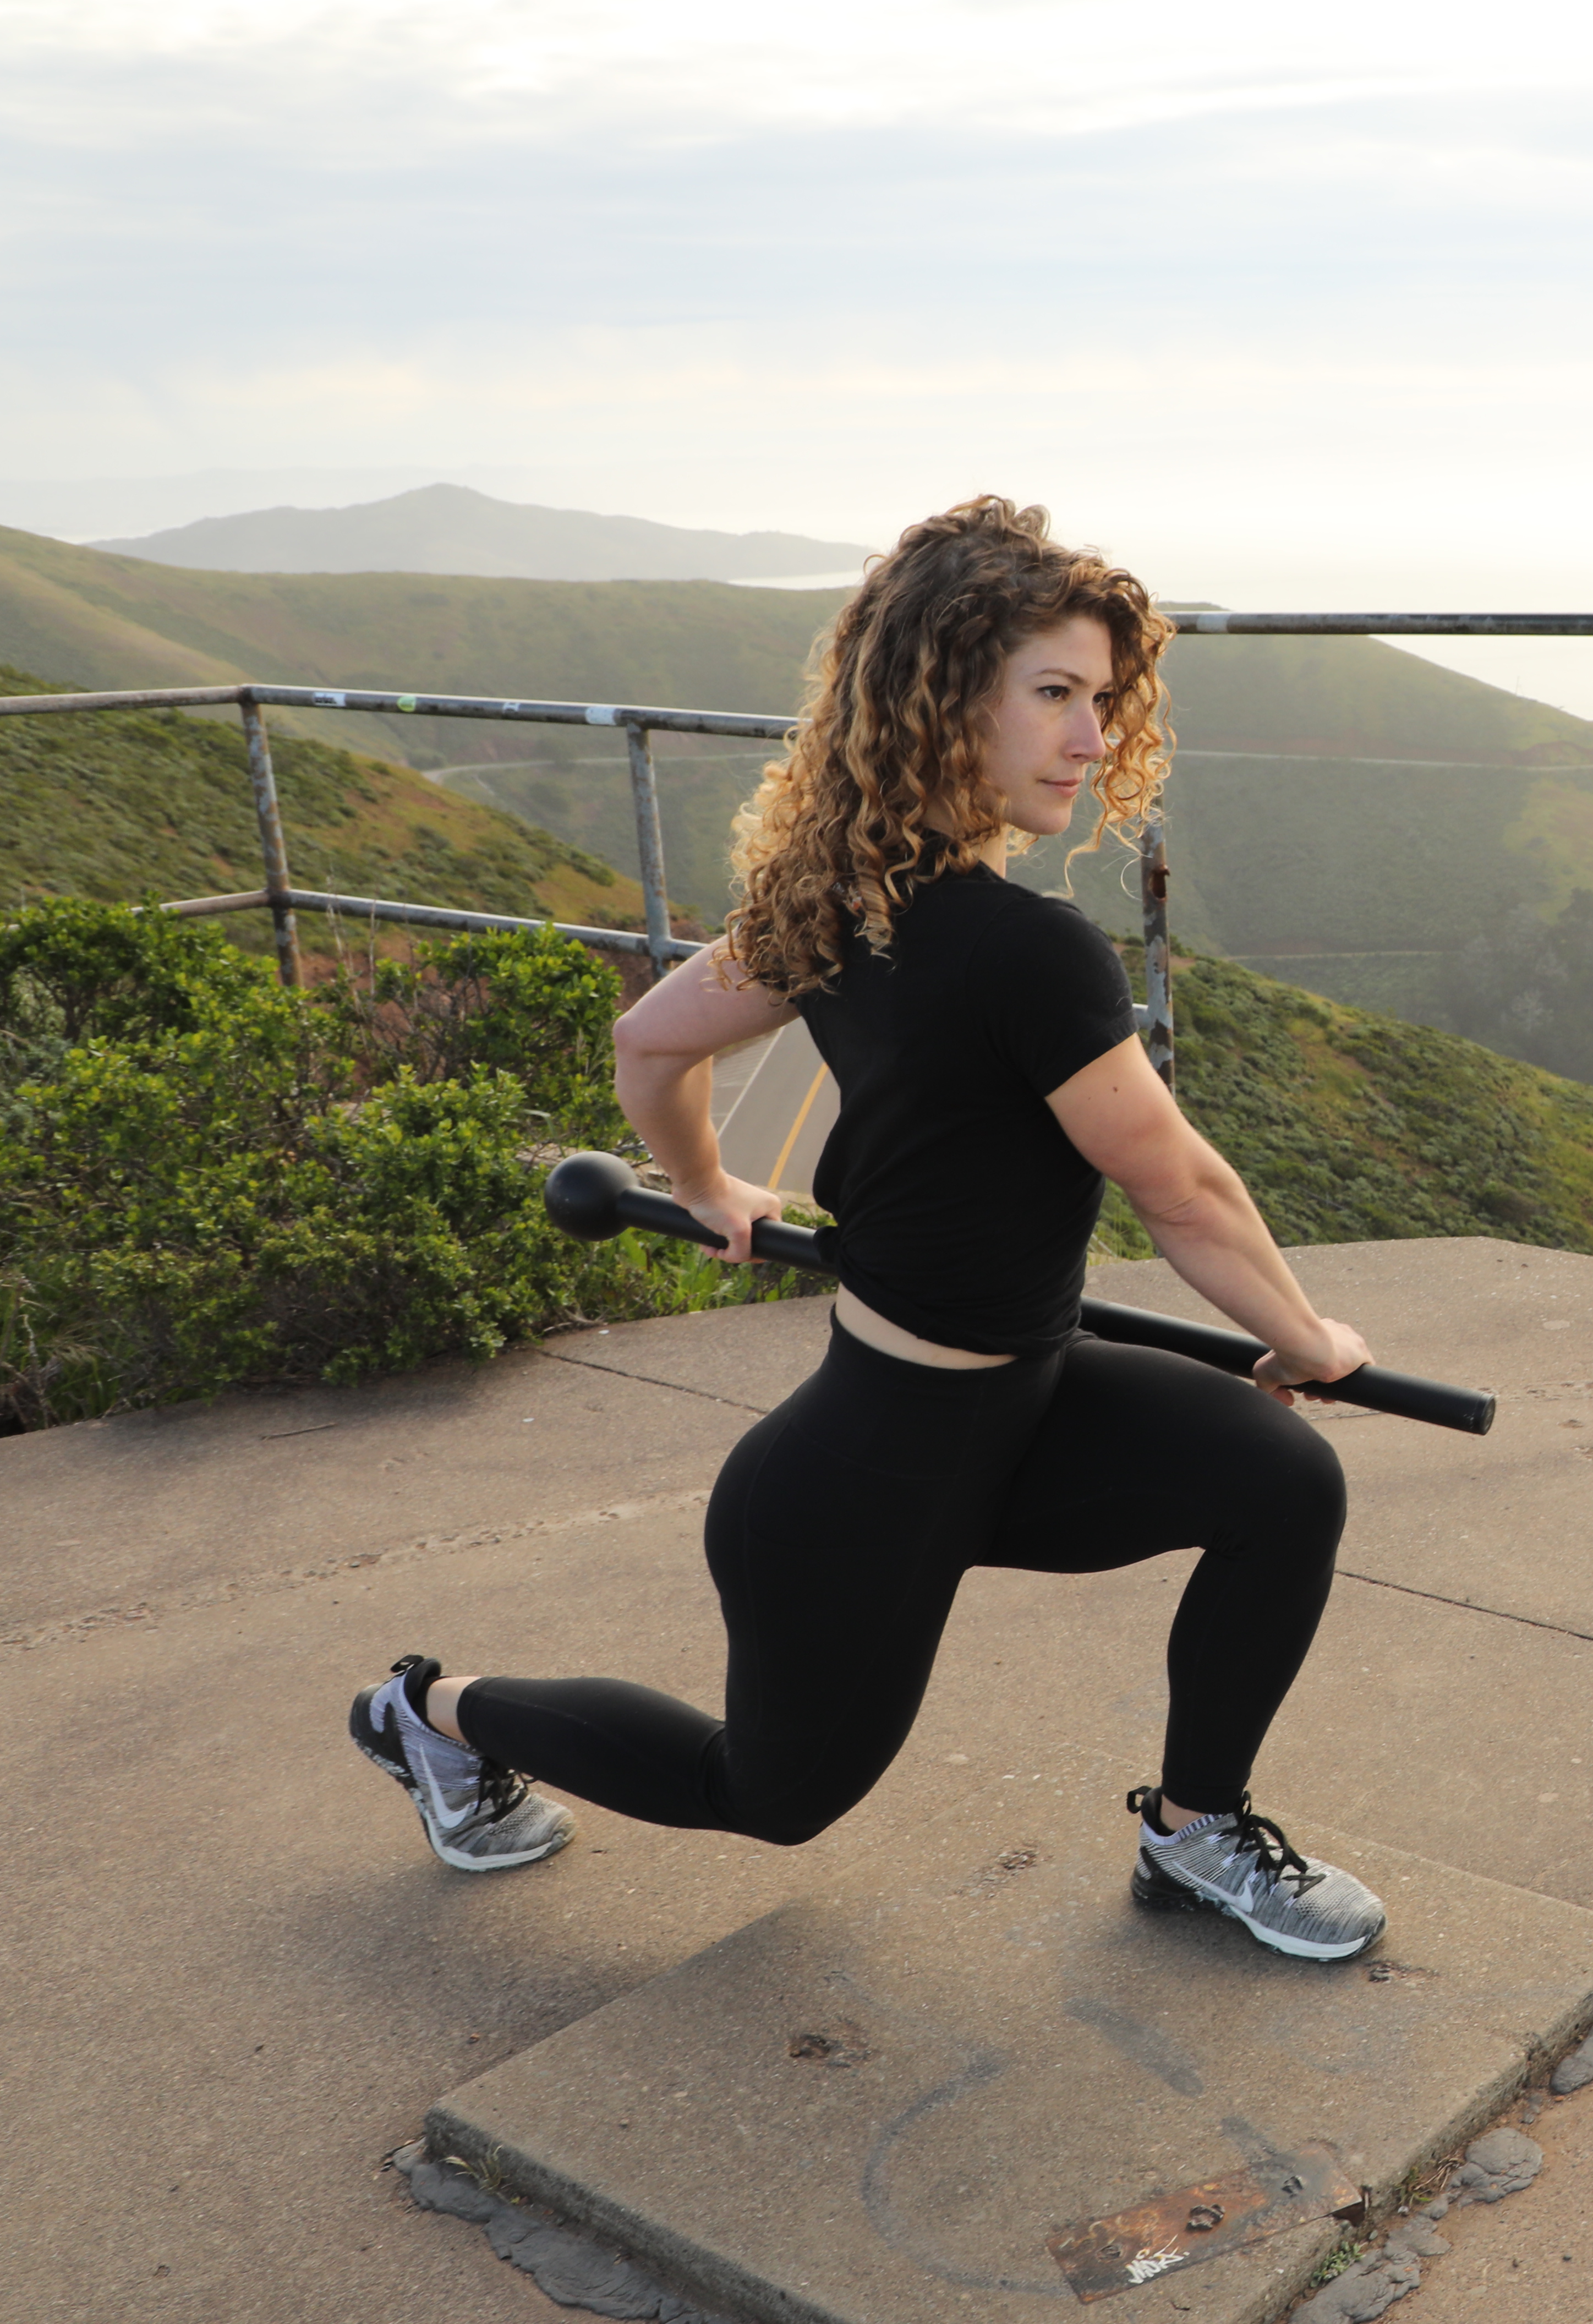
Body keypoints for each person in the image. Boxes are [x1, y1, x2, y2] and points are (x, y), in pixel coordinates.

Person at [346, 496, 1388, 1959]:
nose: (1091, 739)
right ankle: (432, 1714)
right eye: (1054, 695)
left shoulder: (849, 902)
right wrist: (1308, 1339)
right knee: (770, 1796)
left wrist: (706, 1188)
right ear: (945, 700)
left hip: (1026, 1409)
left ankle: (1194, 1830)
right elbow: (1181, 1191)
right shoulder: (1025, 951)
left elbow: (653, 1045)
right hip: (873, 1464)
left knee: (1281, 1483)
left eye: (1103, 701)